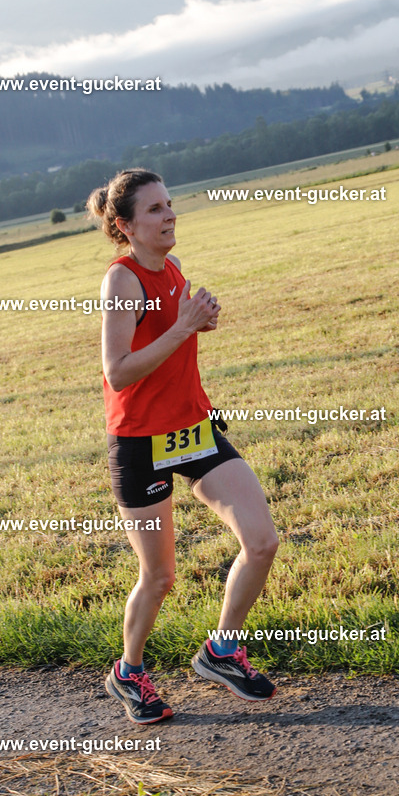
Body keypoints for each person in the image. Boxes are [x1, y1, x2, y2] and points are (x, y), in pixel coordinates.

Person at [87, 168, 279, 724]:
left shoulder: (171, 268)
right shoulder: (122, 280)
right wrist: (182, 328)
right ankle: (129, 671)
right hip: (139, 442)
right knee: (161, 576)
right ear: (124, 226)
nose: (169, 215)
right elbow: (118, 372)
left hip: (191, 429)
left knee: (262, 541)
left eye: (170, 205)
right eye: (154, 210)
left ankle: (222, 651)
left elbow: (170, 342)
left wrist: (199, 323)